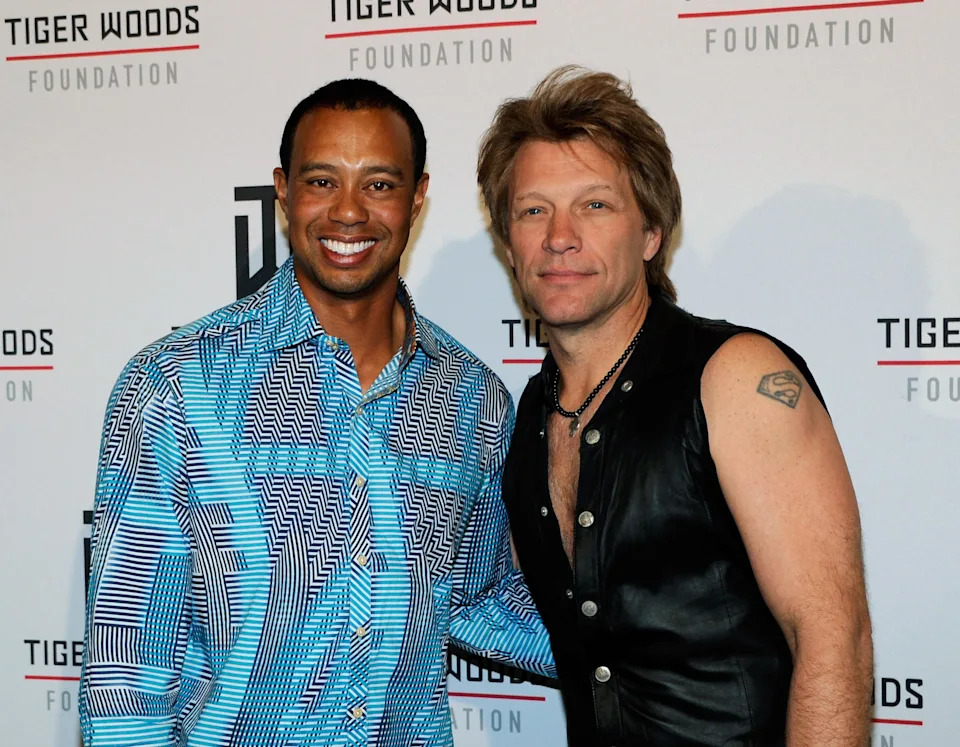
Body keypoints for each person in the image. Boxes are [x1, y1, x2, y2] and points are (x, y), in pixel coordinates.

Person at [79, 78, 553, 747]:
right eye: (322, 181)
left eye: (380, 184)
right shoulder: (176, 386)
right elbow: (124, 673)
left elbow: (478, 599)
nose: (350, 212)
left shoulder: (474, 400)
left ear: (418, 196)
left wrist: (673, 636)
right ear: (283, 189)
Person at [478, 66, 873, 746]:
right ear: (510, 243)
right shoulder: (528, 420)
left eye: (595, 205)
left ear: (652, 232)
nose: (560, 235)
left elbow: (834, 642)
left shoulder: (737, 378)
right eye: (533, 209)